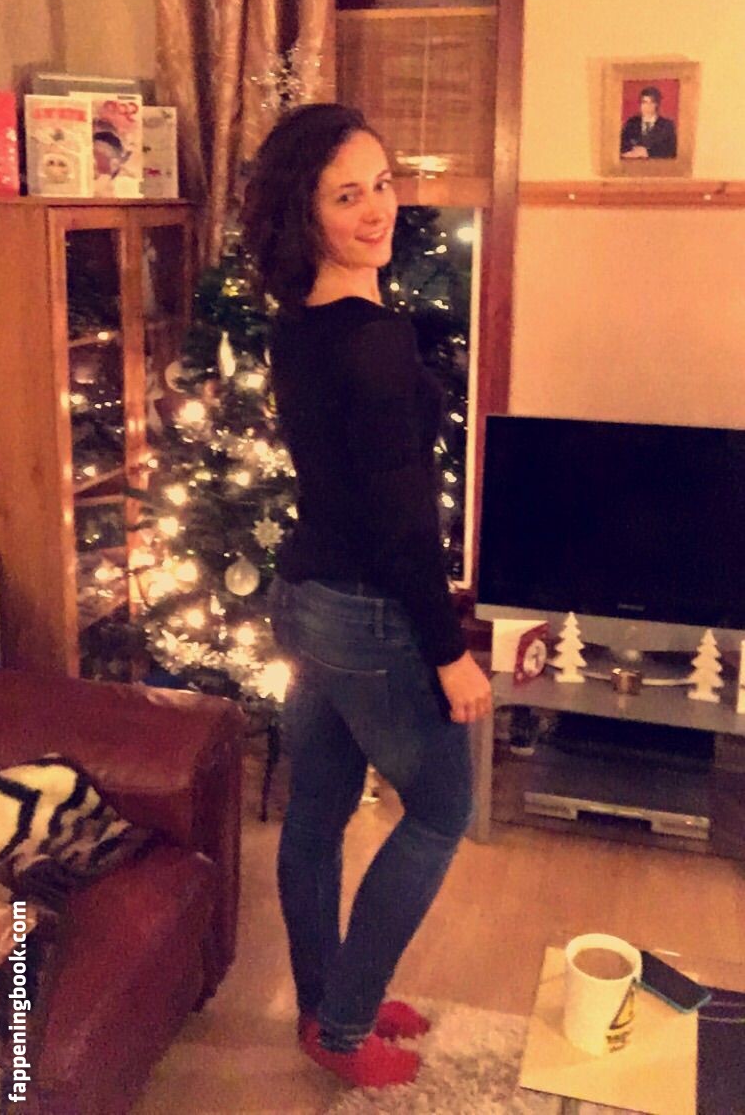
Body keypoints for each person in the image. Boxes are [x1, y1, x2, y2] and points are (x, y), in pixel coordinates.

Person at [243, 103, 492, 1089]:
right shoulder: (375, 342)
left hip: (306, 599)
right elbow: (400, 525)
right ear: (306, 215)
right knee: (441, 806)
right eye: (348, 195)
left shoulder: (298, 327)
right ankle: (343, 1023)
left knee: (316, 811)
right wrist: (449, 651)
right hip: (365, 614)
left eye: (383, 184)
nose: (378, 208)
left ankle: (324, 1005)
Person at [620, 85, 677, 159]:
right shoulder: (631, 123)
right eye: (644, 102)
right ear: (640, 104)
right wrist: (632, 151)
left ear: (657, 104)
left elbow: (672, 151)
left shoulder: (667, 125)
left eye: (651, 103)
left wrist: (647, 152)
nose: (647, 106)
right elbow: (620, 145)